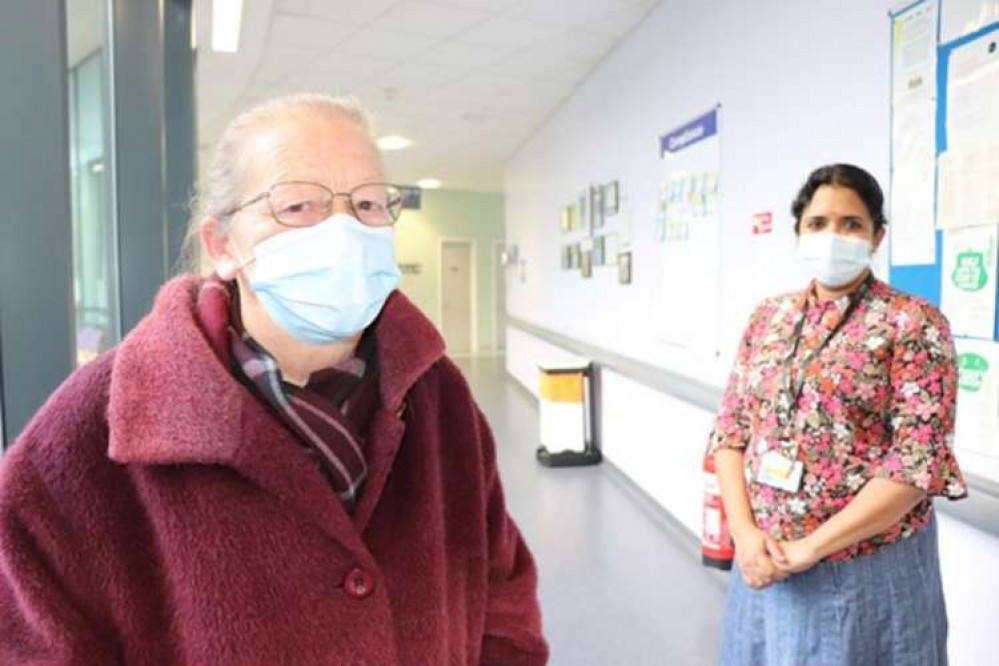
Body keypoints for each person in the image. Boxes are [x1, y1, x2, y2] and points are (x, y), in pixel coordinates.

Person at [0, 93, 549, 665]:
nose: (343, 230)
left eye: (366, 203)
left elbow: (502, 593)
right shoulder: (93, 427)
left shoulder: (438, 394)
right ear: (223, 246)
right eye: (297, 206)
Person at [710, 163, 966, 665]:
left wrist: (810, 548)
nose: (834, 236)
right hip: (764, 563)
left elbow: (915, 463)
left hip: (867, 570)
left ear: (877, 236)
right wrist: (744, 534)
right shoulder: (770, 317)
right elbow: (730, 429)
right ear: (799, 231)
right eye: (819, 222)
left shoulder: (912, 323)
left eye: (852, 224)